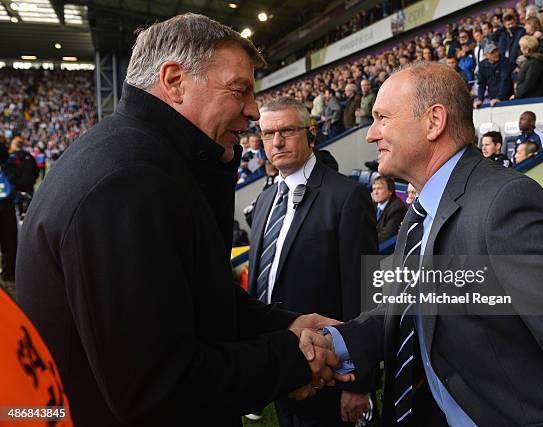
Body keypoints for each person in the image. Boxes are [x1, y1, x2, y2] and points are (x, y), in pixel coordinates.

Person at [16, 14, 346, 427]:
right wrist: (292, 359)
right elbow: (159, 386)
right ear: (174, 81)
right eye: (239, 90)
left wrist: (289, 324)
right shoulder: (128, 182)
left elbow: (196, 299)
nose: (253, 110)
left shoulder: (143, 160)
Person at [300, 61, 543, 426]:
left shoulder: (505, 203)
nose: (371, 134)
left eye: (382, 118)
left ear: (434, 121)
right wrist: (335, 343)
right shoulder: (422, 211)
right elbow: (409, 306)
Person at [248, 97, 378, 426]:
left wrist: (359, 381)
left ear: (311, 133)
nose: (276, 141)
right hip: (279, 361)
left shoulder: (346, 197)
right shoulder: (264, 201)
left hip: (331, 370)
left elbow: (361, 294)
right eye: (267, 133)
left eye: (287, 130)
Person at [474, 43, 514, 108]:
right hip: (493, 98)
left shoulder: (505, 62)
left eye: (496, 51)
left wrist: (499, 98)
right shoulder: (482, 65)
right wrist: (480, 99)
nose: (496, 54)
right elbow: (482, 84)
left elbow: (505, 81)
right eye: (492, 53)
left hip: (507, 97)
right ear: (486, 55)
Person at [0, 141, 17, 284]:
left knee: (8, 241)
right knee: (8, 240)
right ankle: (8, 272)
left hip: (5, 205)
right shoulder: (9, 163)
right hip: (6, 205)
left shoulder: (8, 164)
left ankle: (8, 272)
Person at [372, 176, 408, 243]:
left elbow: (386, 236)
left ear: (390, 191)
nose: (375, 192)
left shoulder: (398, 209)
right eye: (374, 189)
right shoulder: (372, 204)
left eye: (379, 188)